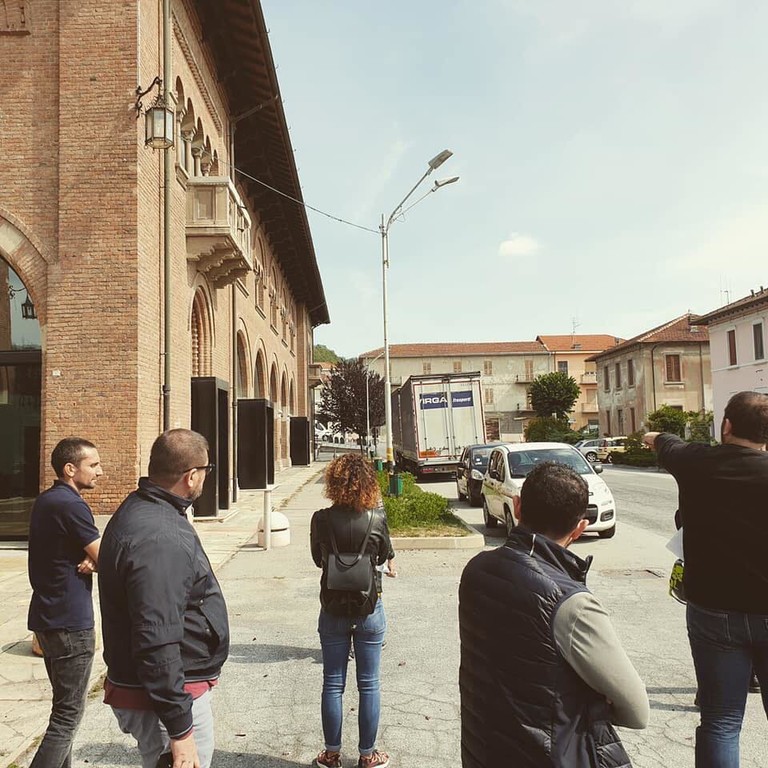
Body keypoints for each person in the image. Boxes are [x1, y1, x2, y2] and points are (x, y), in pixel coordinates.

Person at [459, 461, 649, 768]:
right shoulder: (571, 603)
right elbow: (637, 710)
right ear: (580, 528)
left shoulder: (477, 570)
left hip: (483, 748)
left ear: (517, 506)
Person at [644, 390, 768, 768]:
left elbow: (665, 442)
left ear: (726, 426)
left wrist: (654, 436)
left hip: (713, 611)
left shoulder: (696, 462)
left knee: (721, 721)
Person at [98, 429, 229, 768]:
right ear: (191, 476)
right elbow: (156, 637)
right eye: (206, 470)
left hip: (163, 688)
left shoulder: (149, 509)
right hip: (165, 696)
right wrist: (180, 730)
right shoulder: (160, 536)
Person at [310, 454, 395, 768]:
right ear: (368, 483)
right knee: (369, 683)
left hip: (332, 606)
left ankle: (331, 754)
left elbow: (317, 560)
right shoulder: (376, 518)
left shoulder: (321, 519)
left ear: (333, 483)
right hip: (368, 606)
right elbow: (383, 555)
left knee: (333, 682)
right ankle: (367, 755)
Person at [27, 437, 103, 768]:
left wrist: (93, 559)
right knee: (67, 716)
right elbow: (109, 557)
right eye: (93, 465)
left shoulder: (47, 500)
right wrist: (97, 561)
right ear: (70, 469)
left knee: (62, 710)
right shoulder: (72, 505)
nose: (100, 471)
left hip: (47, 617)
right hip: (70, 621)